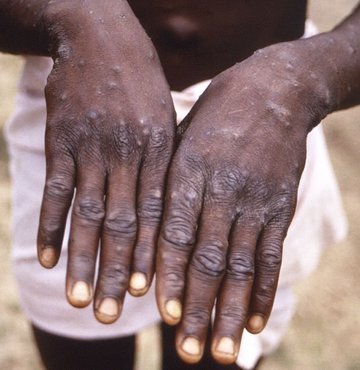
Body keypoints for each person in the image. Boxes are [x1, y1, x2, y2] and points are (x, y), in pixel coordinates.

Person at [0, 0, 358, 369]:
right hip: (86, 107)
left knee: (216, 347)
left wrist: (301, 80)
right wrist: (70, 15)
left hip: (259, 135)